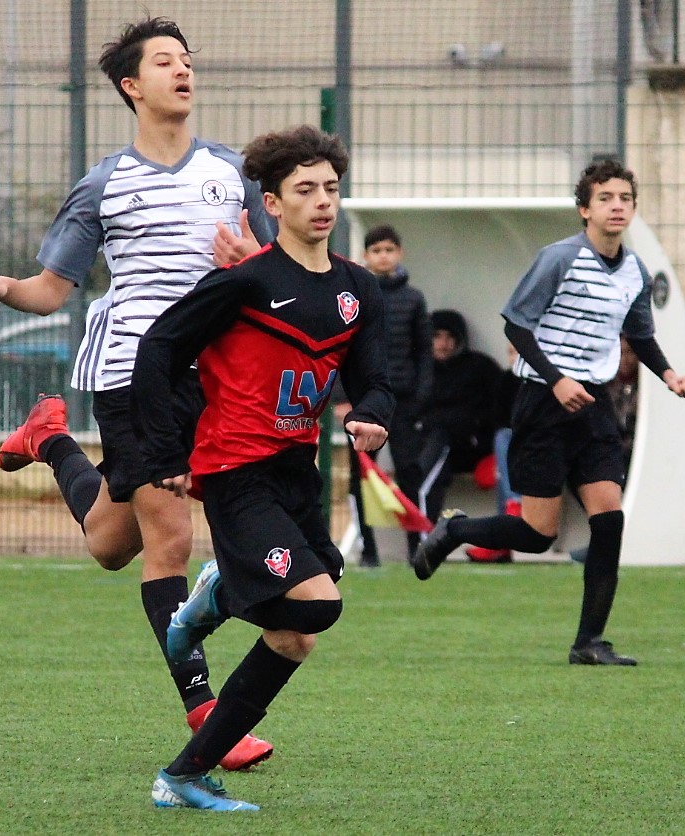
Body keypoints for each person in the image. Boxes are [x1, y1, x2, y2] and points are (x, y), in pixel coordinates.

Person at [0, 17, 275, 769]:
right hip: (135, 374)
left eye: (188, 61)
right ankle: (209, 718)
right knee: (170, 540)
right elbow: (51, 289)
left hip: (215, 377)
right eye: (166, 62)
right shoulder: (105, 183)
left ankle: (48, 438)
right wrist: (1, 285)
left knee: (110, 544)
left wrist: (250, 257)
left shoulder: (231, 173)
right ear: (132, 86)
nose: (183, 71)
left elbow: (272, 269)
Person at [130, 124, 394, 811]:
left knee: (295, 635)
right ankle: (215, 597)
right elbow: (159, 348)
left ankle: (183, 777)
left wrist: (373, 414)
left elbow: (378, 379)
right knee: (321, 605)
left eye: (330, 188)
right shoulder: (245, 283)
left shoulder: (357, 289)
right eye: (304, 190)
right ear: (270, 204)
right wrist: (165, 452)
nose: (322, 202)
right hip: (235, 470)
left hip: (295, 474)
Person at [411, 159, 685, 666]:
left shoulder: (633, 270)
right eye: (605, 198)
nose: (617, 206)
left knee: (609, 519)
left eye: (625, 199)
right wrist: (557, 379)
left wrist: (670, 375)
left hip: (594, 406)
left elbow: (640, 335)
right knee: (538, 535)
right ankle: (454, 530)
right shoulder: (558, 258)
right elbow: (516, 326)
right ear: (585, 209)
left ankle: (589, 642)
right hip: (543, 401)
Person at [334, 224, 432, 566]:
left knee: (409, 471)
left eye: (389, 250)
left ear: (399, 254)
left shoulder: (414, 299)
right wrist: (342, 399)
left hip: (403, 403)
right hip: (362, 403)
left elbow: (424, 353)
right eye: (376, 251)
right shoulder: (352, 297)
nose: (383, 256)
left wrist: (420, 397)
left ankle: (417, 548)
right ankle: (369, 550)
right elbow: (339, 350)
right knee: (361, 477)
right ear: (365, 256)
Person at [416, 309, 502, 526]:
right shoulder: (419, 371)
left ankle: (422, 530)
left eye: (450, 337)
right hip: (432, 449)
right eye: (437, 336)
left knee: (433, 455)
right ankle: (425, 530)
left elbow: (502, 409)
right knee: (434, 463)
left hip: (472, 448)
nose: (443, 343)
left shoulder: (480, 367)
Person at [569, 336, 639, 564]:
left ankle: (607, 546)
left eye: (631, 353)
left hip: (631, 453)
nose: (626, 359)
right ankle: (604, 544)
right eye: (621, 353)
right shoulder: (604, 387)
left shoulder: (645, 389)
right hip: (609, 449)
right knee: (579, 474)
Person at [465, 344, 522, 563]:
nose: (515, 357)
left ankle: (500, 537)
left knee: (504, 446)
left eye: (519, 351)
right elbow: (497, 420)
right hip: (513, 452)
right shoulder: (506, 382)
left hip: (538, 451)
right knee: (503, 449)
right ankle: (510, 515)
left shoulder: (543, 383)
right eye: (510, 352)